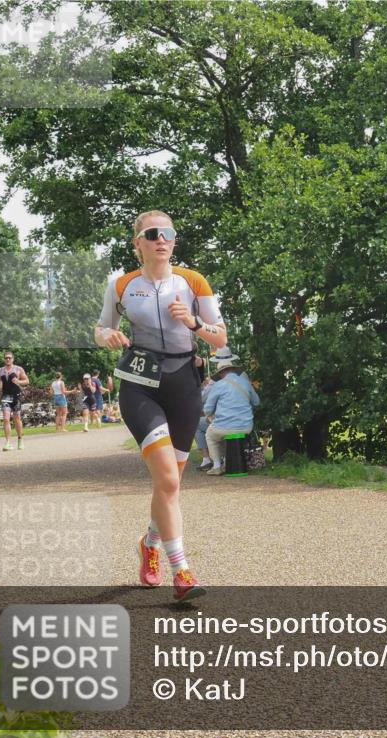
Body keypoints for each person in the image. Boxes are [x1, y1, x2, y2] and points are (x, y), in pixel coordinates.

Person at [95, 210, 227, 602]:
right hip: (140, 385)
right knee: (168, 480)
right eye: (152, 234)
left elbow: (220, 338)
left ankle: (149, 542)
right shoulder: (122, 285)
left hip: (183, 384)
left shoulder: (193, 281)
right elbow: (101, 328)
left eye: (168, 233)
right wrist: (108, 336)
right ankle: (181, 571)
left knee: (169, 483)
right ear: (138, 243)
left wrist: (193, 323)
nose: (161, 240)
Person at [203, 347, 259, 476]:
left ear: (221, 373)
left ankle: (217, 466)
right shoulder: (245, 382)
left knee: (210, 435)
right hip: (246, 426)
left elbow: (208, 409)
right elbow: (256, 402)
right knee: (222, 433)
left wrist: (210, 416)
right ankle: (227, 462)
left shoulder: (218, 385)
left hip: (223, 427)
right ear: (233, 369)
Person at [0, 352, 29, 451]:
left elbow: (27, 381)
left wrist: (19, 381)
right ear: (4, 359)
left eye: (9, 358)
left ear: (13, 359)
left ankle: (20, 439)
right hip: (5, 396)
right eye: (6, 358)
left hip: (16, 397)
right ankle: (8, 442)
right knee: (6, 419)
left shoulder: (18, 369)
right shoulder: (0, 370)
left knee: (17, 418)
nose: (8, 359)